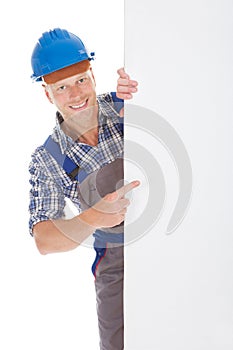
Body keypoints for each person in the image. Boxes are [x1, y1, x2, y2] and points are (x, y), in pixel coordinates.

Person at [28, 27, 139, 350]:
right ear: (48, 94)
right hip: (115, 271)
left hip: (170, 246)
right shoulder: (47, 159)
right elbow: (44, 240)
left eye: (80, 80)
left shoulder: (123, 106)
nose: (75, 95)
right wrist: (92, 217)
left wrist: (142, 85)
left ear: (92, 74)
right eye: (61, 87)